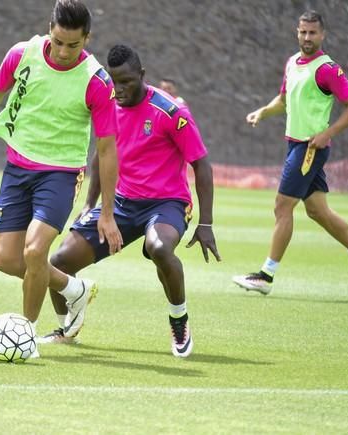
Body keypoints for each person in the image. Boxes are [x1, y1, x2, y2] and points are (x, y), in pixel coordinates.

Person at [0, 0, 123, 351]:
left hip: (61, 173)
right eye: (58, 41)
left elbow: (106, 149)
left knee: (36, 251)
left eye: (74, 44)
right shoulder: (22, 54)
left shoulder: (97, 82)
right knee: (6, 259)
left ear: (88, 38)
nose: (64, 51)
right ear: (49, 29)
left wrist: (108, 212)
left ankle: (26, 335)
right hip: (17, 169)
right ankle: (74, 289)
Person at [40, 44, 220, 358]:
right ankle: (67, 325)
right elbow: (100, 155)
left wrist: (205, 223)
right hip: (121, 204)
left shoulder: (170, 111)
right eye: (114, 81)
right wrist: (90, 204)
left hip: (168, 203)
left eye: (126, 81)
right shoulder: (108, 106)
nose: (119, 89)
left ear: (142, 75)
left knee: (160, 248)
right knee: (57, 262)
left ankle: (179, 320)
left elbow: (201, 165)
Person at [232, 11, 348, 296]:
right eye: (303, 32)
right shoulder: (292, 62)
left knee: (282, 206)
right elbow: (284, 100)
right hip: (295, 145)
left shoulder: (328, 69)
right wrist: (263, 111)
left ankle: (266, 275)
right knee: (317, 211)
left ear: (322, 35)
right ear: (296, 32)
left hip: (310, 148)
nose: (307, 37)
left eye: (312, 33)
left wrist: (328, 133)